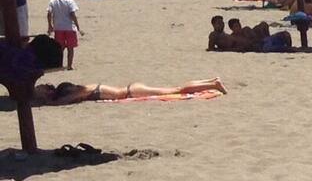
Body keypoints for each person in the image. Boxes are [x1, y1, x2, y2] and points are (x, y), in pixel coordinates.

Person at [31, 78, 226, 106]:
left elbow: (65, 101)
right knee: (177, 88)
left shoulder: (81, 91)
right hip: (132, 89)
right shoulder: (82, 88)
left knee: (177, 90)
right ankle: (211, 82)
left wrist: (47, 101)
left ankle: (213, 83)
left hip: (132, 92)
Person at [47, 0, 81, 70]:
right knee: (70, 48)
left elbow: (49, 14)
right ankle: (69, 66)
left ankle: (59, 64)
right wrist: (78, 27)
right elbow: (72, 15)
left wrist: (50, 25)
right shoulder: (70, 1)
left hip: (58, 28)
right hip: (69, 28)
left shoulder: (53, 1)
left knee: (60, 48)